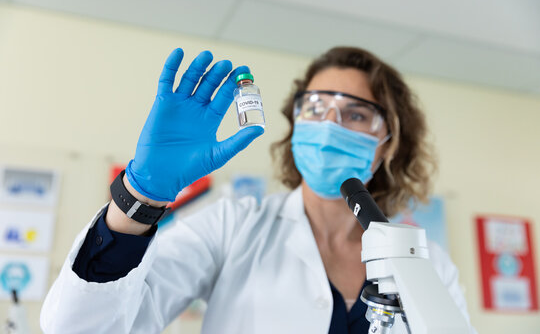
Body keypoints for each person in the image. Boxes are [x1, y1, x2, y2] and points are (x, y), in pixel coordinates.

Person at [40, 47, 476, 333]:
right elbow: (80, 326)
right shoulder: (234, 225)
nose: (328, 126)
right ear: (294, 123)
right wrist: (140, 196)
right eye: (315, 107)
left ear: (389, 143)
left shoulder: (429, 264)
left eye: (356, 114)